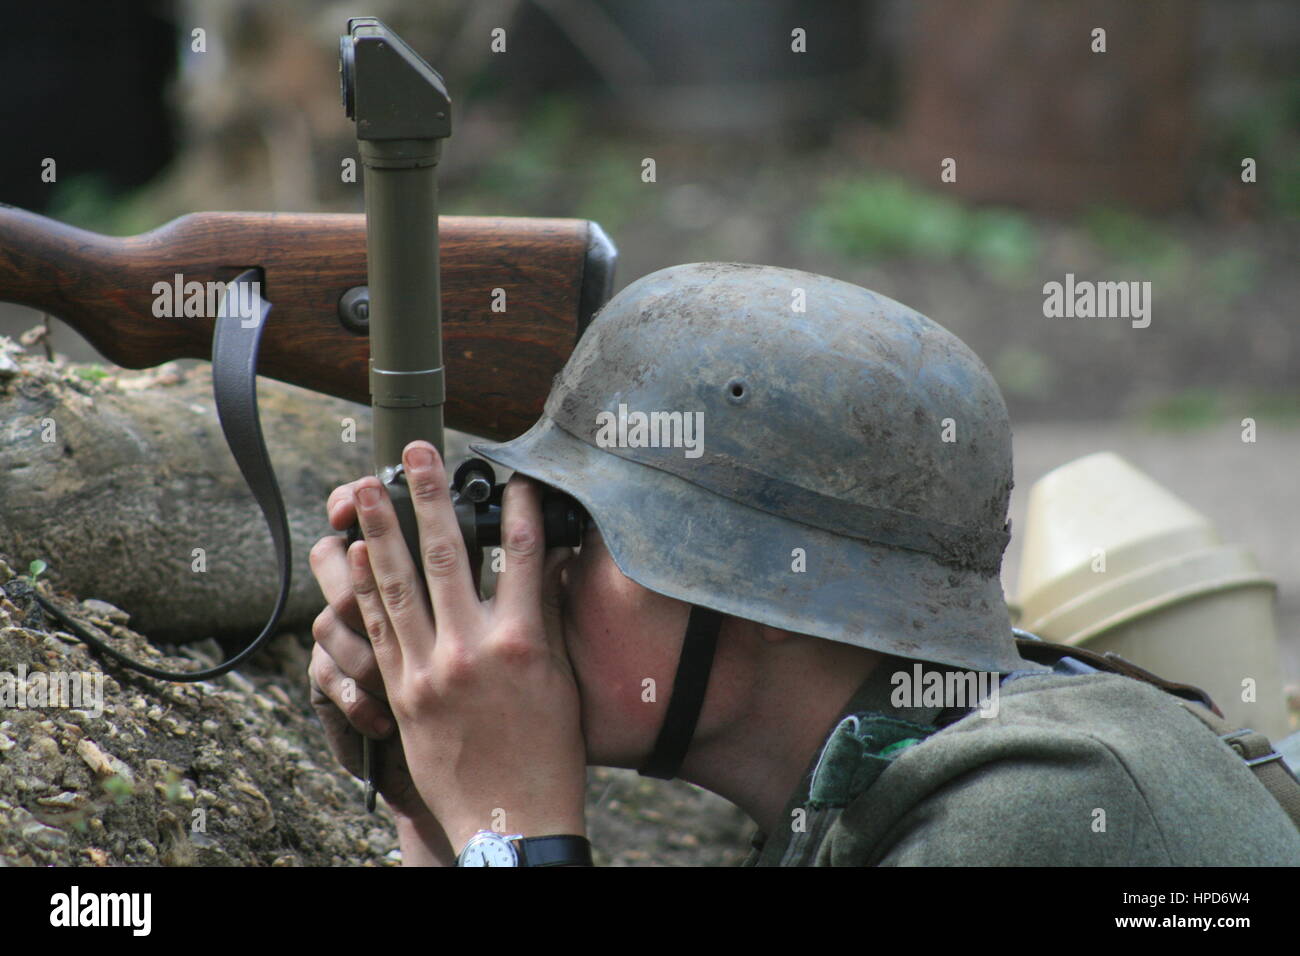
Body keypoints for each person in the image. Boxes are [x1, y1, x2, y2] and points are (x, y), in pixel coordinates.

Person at [307, 262, 1300, 866]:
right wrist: (436, 802)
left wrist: (510, 825)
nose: (532, 580)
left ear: (775, 586)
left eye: (575, 528)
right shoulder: (868, 781)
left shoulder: (1042, 810)